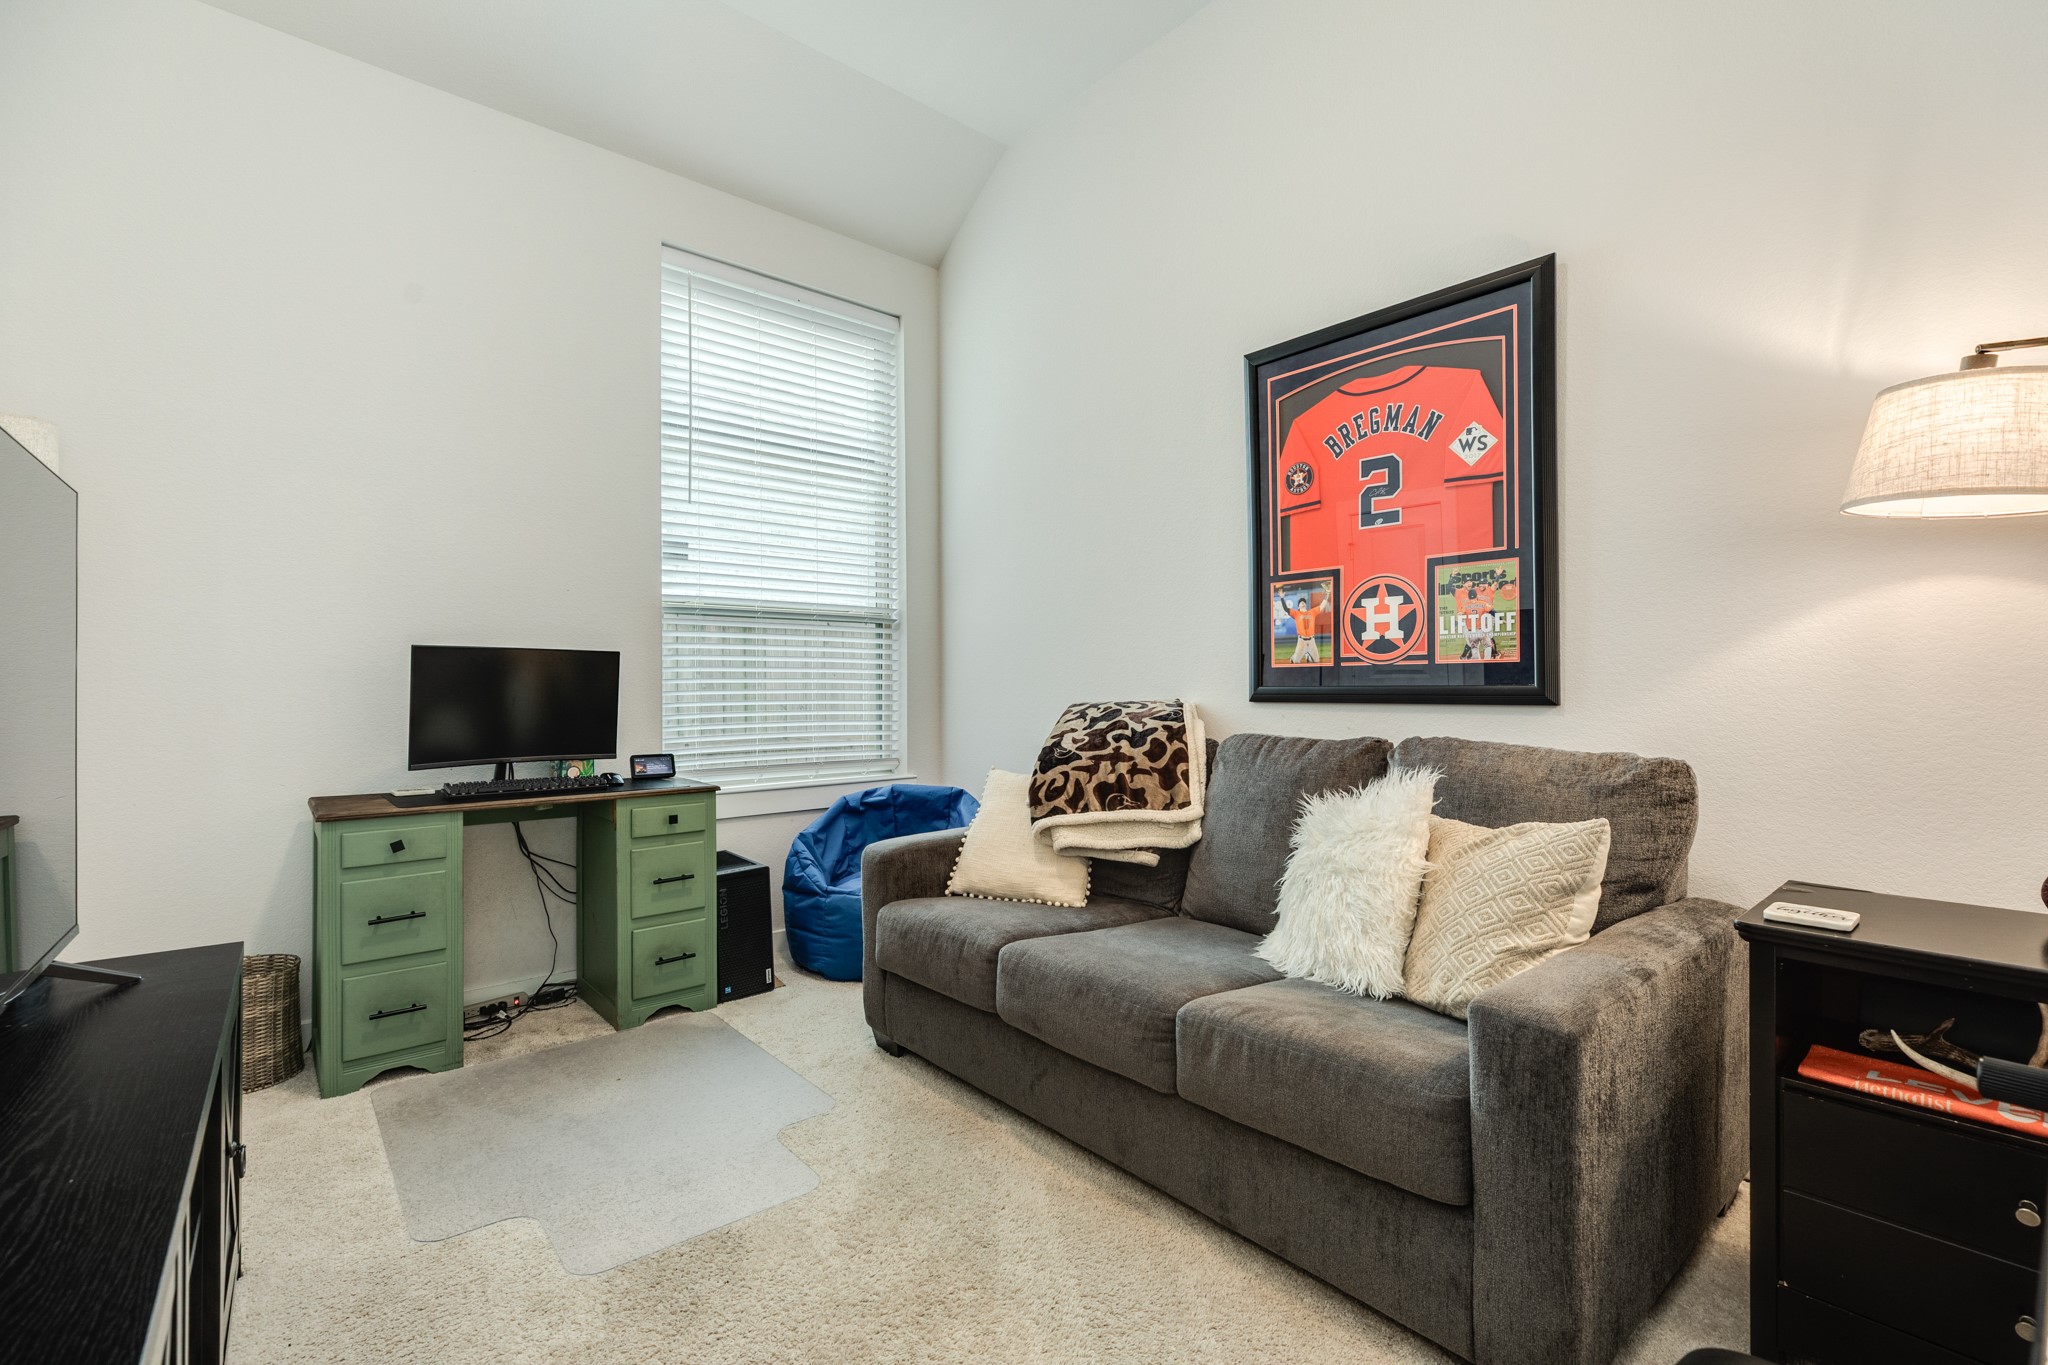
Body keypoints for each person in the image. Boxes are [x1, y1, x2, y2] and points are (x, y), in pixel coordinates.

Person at [1287, 591, 1325, 664]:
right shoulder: (1296, 614)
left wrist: (1328, 593)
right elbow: (1286, 609)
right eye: (1301, 602)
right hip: (1301, 640)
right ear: (1298, 607)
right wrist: (1282, 598)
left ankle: (1308, 655)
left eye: (1304, 602)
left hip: (1311, 640)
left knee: (1316, 661)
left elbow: (1322, 606)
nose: (1303, 603)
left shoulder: (1312, 612)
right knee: (1296, 662)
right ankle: (1294, 657)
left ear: (1306, 605)